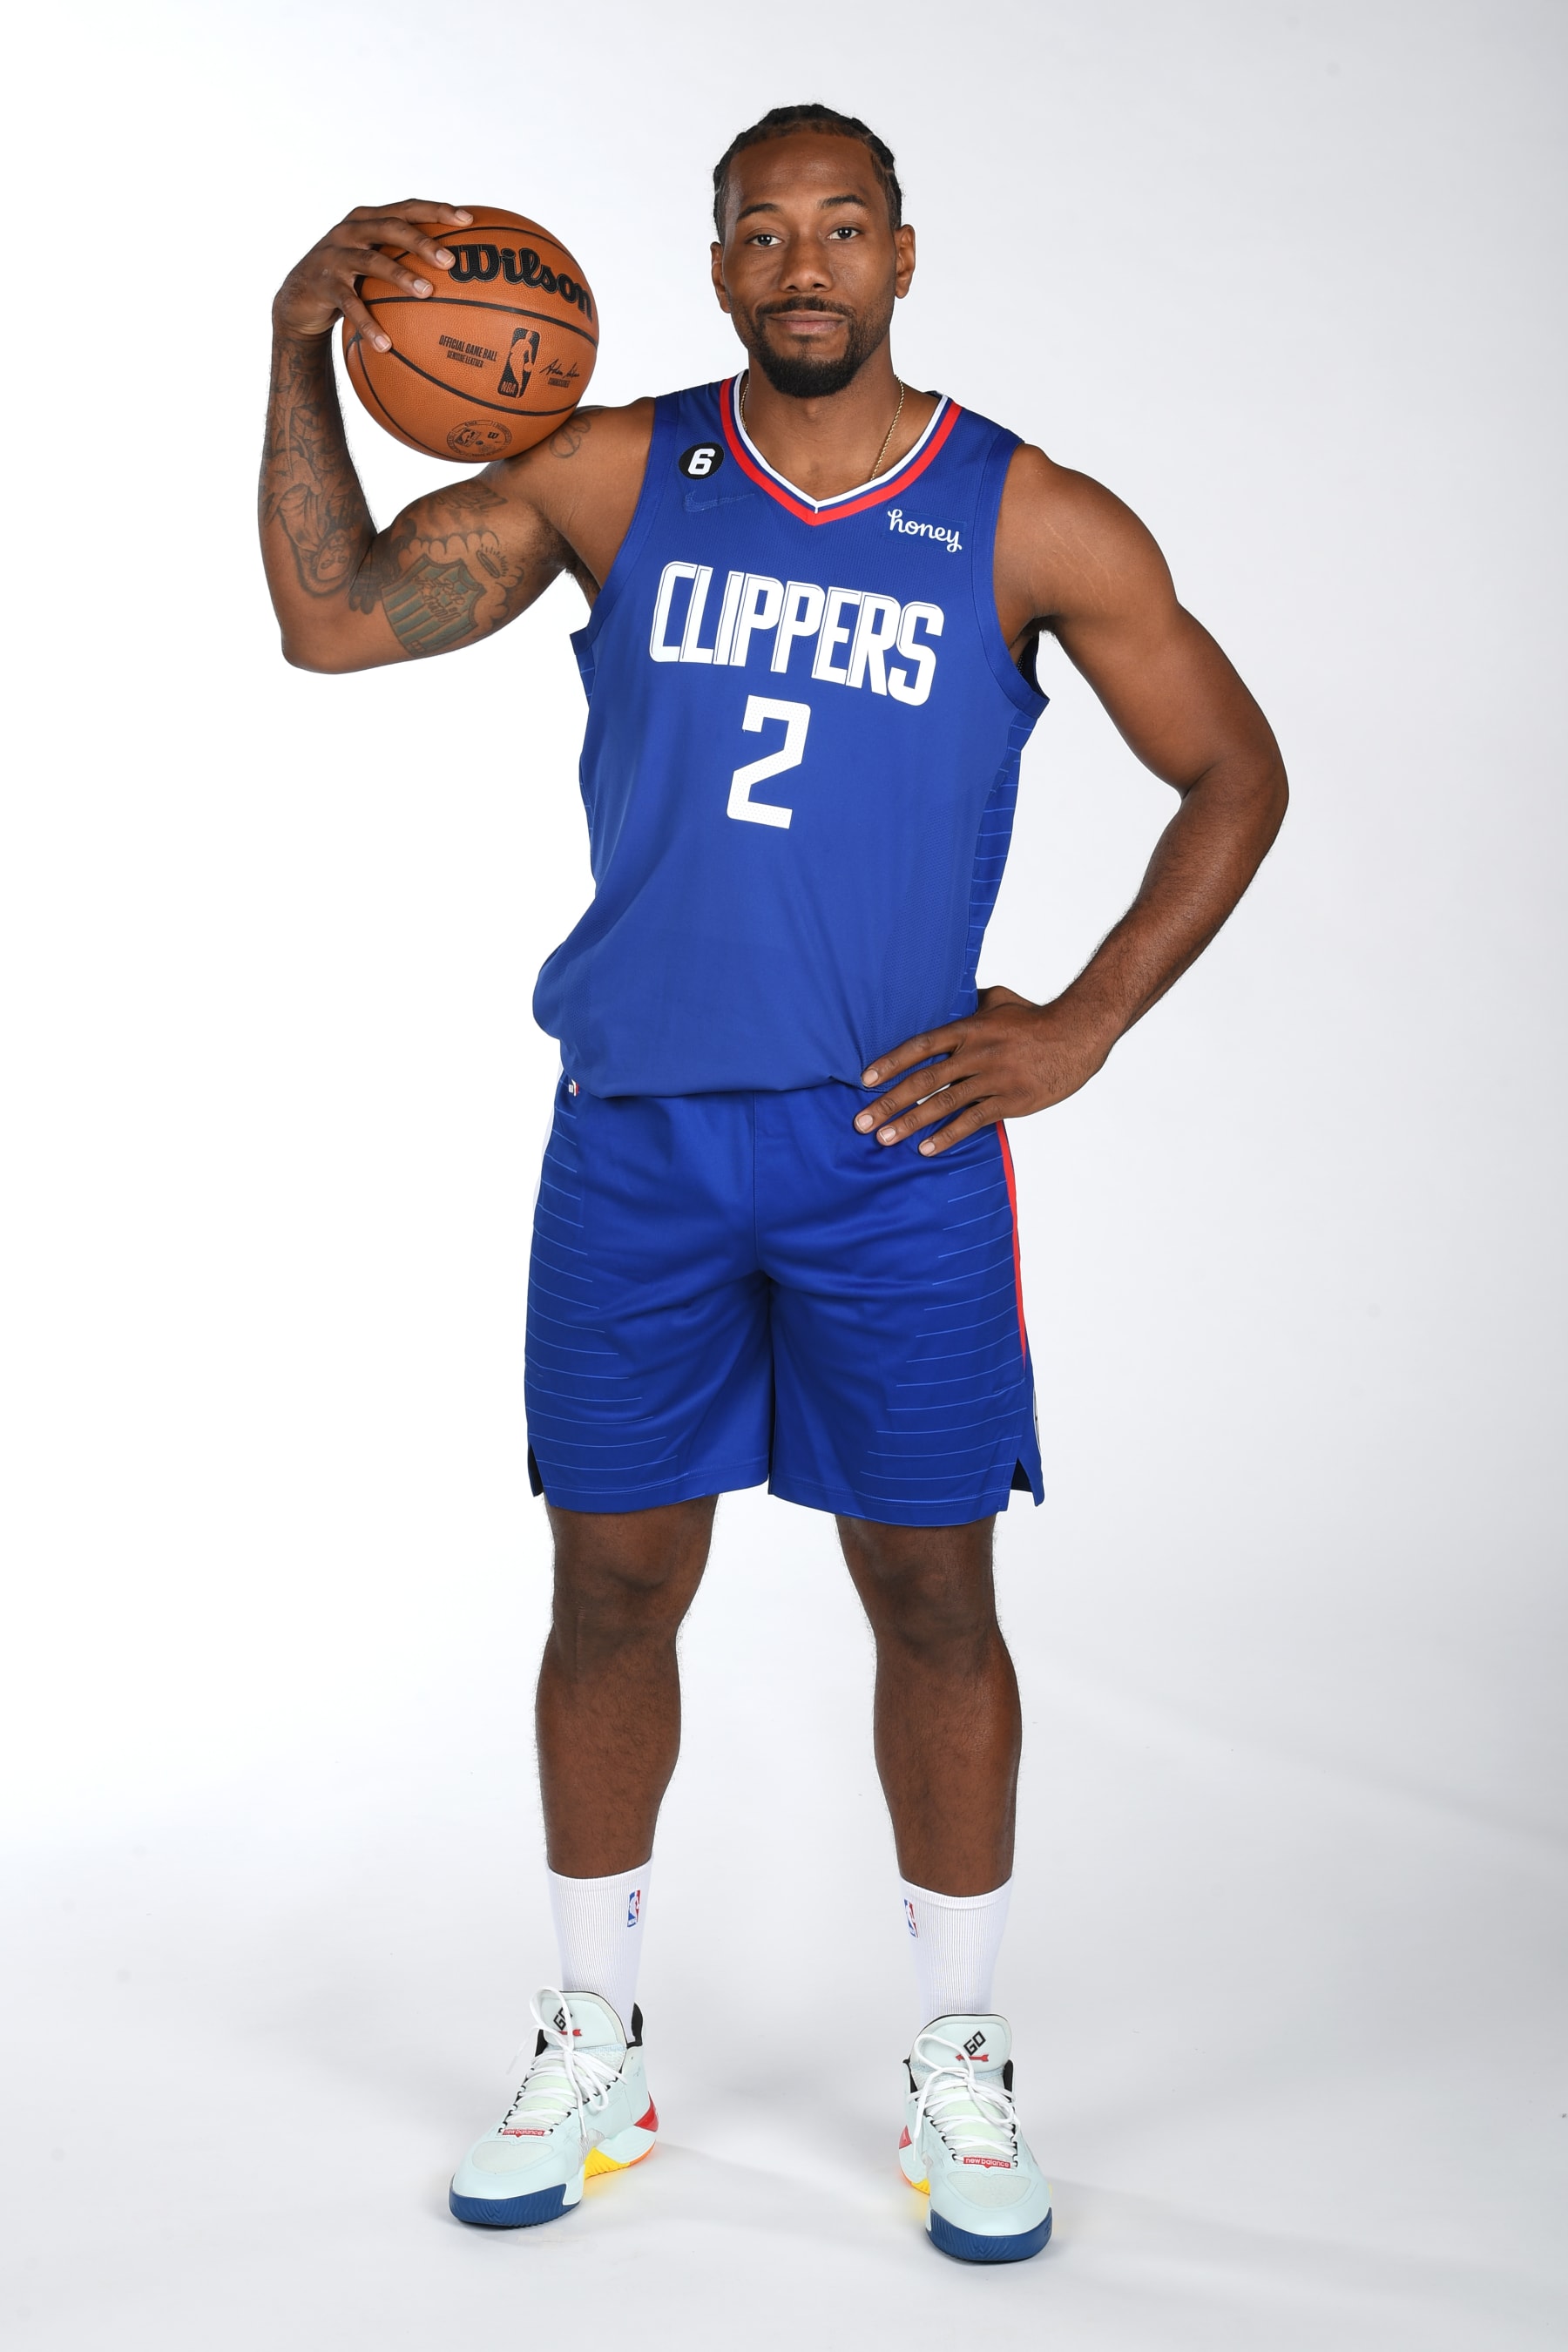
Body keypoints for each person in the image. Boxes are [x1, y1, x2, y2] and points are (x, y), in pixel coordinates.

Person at [260, 103, 1287, 2265]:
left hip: (887, 1153)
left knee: (934, 1600)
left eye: (840, 228)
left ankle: (962, 2058)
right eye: (759, 230)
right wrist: (292, 352)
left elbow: (1233, 765)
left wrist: (1082, 1020)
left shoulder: (1033, 517)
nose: (800, 261)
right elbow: (337, 621)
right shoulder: (617, 475)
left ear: (904, 255)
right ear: (715, 263)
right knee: (610, 1595)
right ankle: (594, 2032)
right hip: (635, 1138)